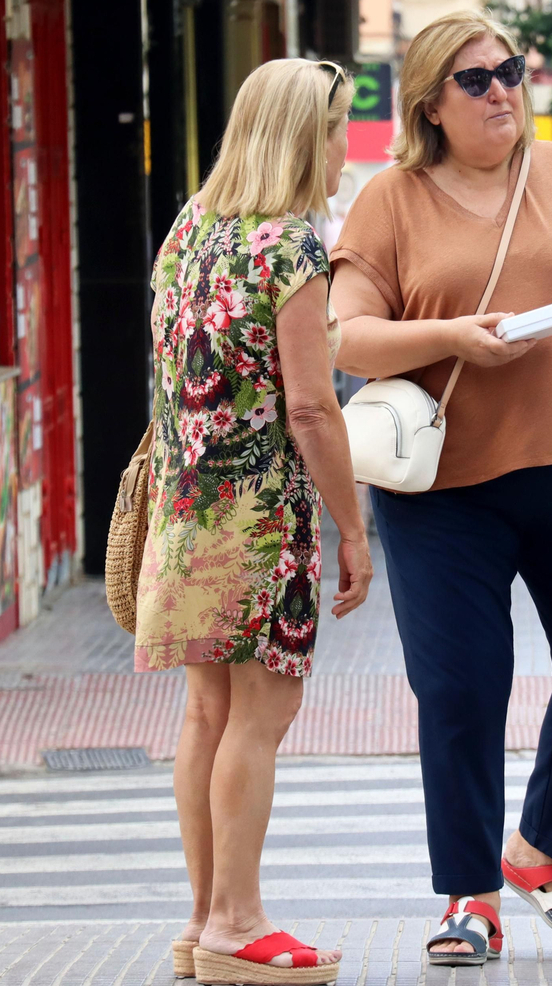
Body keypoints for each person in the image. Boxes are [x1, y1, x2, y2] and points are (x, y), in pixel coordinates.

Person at [329, 10, 552, 966]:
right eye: (476, 80)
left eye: (509, 71)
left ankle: (542, 850)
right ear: (431, 100)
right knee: (462, 688)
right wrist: (453, 336)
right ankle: (471, 894)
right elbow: (346, 336)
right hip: (444, 492)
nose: (502, 90)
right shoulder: (390, 199)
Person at [133, 59, 374, 986]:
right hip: (261, 517)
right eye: (335, 128)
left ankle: (202, 920)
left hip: (184, 509)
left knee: (206, 712)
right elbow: (312, 410)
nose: (341, 147)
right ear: (299, 136)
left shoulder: (190, 228)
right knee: (259, 720)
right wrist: (354, 532)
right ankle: (240, 921)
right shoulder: (292, 248)